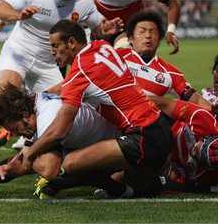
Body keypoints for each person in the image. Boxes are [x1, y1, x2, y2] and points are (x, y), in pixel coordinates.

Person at [14, 20, 173, 197]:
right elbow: (67, 84)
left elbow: (59, 131)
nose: (52, 52)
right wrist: (39, 96)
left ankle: (119, 190)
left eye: (55, 45)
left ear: (71, 43)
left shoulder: (80, 70)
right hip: (160, 127)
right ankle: (145, 180)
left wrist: (31, 153)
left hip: (143, 137)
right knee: (113, 168)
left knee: (70, 163)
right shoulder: (101, 45)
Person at [0, 0, 123, 147]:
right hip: (19, 52)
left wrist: (104, 30)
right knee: (8, 86)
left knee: (58, 108)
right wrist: (18, 15)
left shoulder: (85, 4)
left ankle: (30, 136)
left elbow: (99, 27)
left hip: (48, 63)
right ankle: (10, 129)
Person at [0, 85, 135, 199]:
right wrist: (7, 167)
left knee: (64, 166)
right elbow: (25, 153)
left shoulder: (47, 120)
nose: (17, 135)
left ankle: (118, 189)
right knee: (35, 157)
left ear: (24, 115)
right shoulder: (36, 103)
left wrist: (14, 166)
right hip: (102, 140)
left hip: (121, 149)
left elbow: (48, 169)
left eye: (17, 129)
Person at [119, 10, 211, 110]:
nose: (148, 36)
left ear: (159, 40)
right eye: (142, 31)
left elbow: (196, 100)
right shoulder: (117, 58)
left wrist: (213, 110)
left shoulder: (171, 73)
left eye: (153, 32)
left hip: (147, 123)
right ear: (131, 39)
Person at [94, 0, 180, 54]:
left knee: (128, 52)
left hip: (131, 21)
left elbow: (172, 3)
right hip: (99, 20)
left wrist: (171, 30)